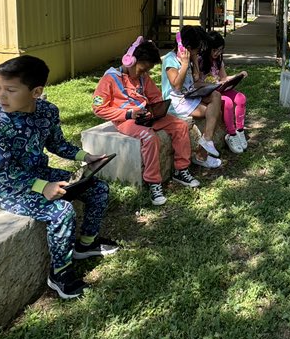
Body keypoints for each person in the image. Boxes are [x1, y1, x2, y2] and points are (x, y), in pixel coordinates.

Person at [0, 55, 119, 301]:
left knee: (98, 189)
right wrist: (42, 187)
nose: (1, 95)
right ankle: (60, 274)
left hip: (42, 175)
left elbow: (56, 143)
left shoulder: (46, 111)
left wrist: (87, 157)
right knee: (61, 212)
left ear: (36, 92)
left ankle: (86, 245)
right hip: (9, 189)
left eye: (10, 90)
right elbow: (2, 171)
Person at [92, 37, 202, 208]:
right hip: (125, 120)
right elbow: (98, 109)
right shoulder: (110, 79)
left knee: (179, 126)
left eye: (148, 70)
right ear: (130, 60)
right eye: (143, 69)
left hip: (147, 116)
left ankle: (181, 170)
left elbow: (155, 96)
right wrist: (129, 113)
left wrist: (156, 109)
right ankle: (154, 183)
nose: (145, 73)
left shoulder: (144, 77)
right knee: (148, 137)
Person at [161, 25, 223, 169]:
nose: (199, 51)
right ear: (187, 47)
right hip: (176, 102)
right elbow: (176, 86)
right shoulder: (170, 60)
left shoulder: (188, 57)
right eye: (197, 49)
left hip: (189, 95)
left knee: (216, 95)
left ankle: (206, 140)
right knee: (214, 113)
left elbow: (195, 79)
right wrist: (184, 64)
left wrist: (194, 61)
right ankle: (202, 155)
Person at [200, 31, 249, 153]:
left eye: (220, 50)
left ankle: (240, 130)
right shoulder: (200, 61)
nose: (217, 53)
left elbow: (223, 78)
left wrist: (237, 76)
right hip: (210, 94)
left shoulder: (218, 61)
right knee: (227, 102)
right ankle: (231, 134)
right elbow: (197, 82)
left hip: (221, 89)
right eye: (214, 50)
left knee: (240, 98)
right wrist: (213, 85)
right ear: (207, 48)